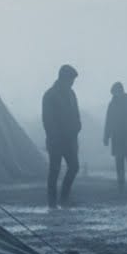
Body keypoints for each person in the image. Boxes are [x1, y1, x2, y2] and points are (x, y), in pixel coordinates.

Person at [42, 64, 81, 208]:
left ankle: (64, 198)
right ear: (63, 78)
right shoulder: (50, 95)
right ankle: (52, 202)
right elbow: (47, 120)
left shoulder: (71, 93)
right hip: (56, 140)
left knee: (74, 167)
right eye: (71, 80)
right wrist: (55, 136)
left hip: (70, 139)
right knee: (55, 170)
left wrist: (78, 126)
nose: (72, 83)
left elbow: (76, 113)